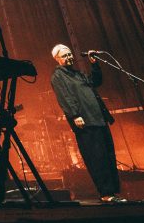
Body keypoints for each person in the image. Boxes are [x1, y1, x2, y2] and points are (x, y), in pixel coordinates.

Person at [49, 44, 125, 203]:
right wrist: (75, 115)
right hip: (86, 123)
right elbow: (64, 97)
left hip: (99, 119)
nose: (69, 57)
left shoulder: (78, 74)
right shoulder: (58, 76)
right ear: (57, 59)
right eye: (64, 55)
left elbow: (96, 82)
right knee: (97, 158)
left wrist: (94, 64)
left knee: (108, 156)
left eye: (70, 54)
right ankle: (106, 193)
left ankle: (113, 192)